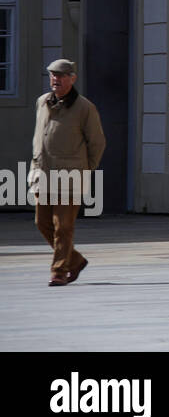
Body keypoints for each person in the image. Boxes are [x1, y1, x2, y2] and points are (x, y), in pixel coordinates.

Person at [31, 59, 105, 287]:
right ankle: (76, 260)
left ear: (72, 78)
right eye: (53, 75)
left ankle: (60, 271)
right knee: (42, 222)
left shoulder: (84, 107)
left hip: (71, 177)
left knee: (63, 226)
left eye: (62, 75)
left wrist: (85, 170)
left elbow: (98, 143)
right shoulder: (42, 102)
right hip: (43, 174)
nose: (56, 79)